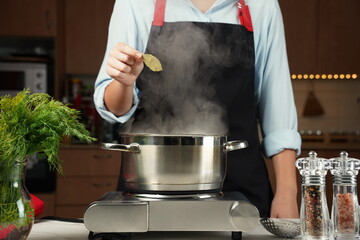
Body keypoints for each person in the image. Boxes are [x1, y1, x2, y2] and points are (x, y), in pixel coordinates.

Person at [94, 0, 301, 218]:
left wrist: (287, 192)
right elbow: (115, 109)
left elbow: (278, 111)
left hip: (241, 187)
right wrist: (124, 82)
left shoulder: (262, 5)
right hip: (151, 186)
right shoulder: (134, 4)